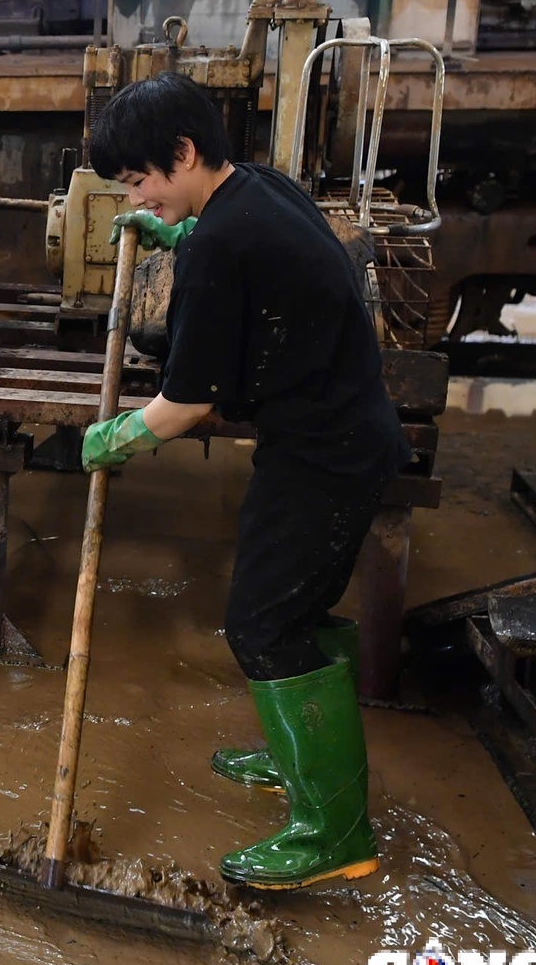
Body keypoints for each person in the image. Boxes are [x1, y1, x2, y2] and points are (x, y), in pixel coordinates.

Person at [79, 72, 408, 891]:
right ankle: (300, 749)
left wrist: (118, 436)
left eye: (140, 179)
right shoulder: (254, 190)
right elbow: (268, 258)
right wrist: (178, 235)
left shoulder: (224, 243)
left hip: (323, 457)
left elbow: (187, 404)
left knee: (259, 625)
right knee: (296, 611)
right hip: (346, 436)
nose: (136, 194)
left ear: (183, 153)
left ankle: (334, 835)